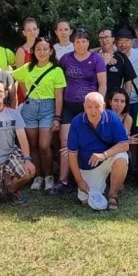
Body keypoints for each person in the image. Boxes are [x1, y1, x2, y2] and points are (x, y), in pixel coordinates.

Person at [51, 29, 106, 193]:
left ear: (88, 43)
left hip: (90, 108)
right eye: (77, 41)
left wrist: (99, 103)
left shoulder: (96, 59)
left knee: (89, 142)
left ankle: (86, 177)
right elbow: (59, 82)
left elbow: (102, 83)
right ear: (73, 43)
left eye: (84, 41)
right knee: (66, 144)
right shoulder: (65, 59)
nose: (81, 44)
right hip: (69, 106)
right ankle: (63, 180)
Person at [12, 37, 66, 192]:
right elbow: (11, 76)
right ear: (33, 52)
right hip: (30, 108)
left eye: (45, 49)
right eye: (38, 49)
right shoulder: (28, 67)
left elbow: (59, 96)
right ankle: (37, 175)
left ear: (50, 51)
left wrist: (57, 117)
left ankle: (49, 176)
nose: (42, 52)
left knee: (44, 145)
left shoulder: (56, 70)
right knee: (33, 145)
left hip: (48, 109)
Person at [67, 92, 130, 210]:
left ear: (104, 106)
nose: (93, 111)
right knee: (85, 200)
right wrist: (79, 180)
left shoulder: (112, 118)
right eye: (89, 107)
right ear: (84, 106)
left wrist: (104, 155)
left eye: (97, 107)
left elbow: (125, 145)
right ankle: (102, 184)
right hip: (88, 165)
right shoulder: (77, 122)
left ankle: (113, 194)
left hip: (107, 158)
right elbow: (72, 154)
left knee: (122, 157)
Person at [116, 28, 138, 120]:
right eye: (120, 41)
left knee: (135, 132)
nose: (123, 45)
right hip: (116, 103)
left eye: (127, 41)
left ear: (132, 42)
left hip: (135, 102)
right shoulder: (112, 55)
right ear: (116, 43)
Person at [97, 27, 136, 98]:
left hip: (115, 103)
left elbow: (128, 82)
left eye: (106, 37)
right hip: (96, 102)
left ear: (113, 39)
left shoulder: (122, 58)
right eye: (101, 38)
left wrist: (125, 102)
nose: (104, 40)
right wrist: (103, 62)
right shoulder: (94, 57)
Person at [14, 17, 40, 105]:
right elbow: (20, 77)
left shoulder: (44, 48)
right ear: (24, 33)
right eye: (28, 30)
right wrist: (27, 95)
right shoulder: (21, 51)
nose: (32, 32)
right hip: (26, 92)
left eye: (34, 29)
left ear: (38, 31)